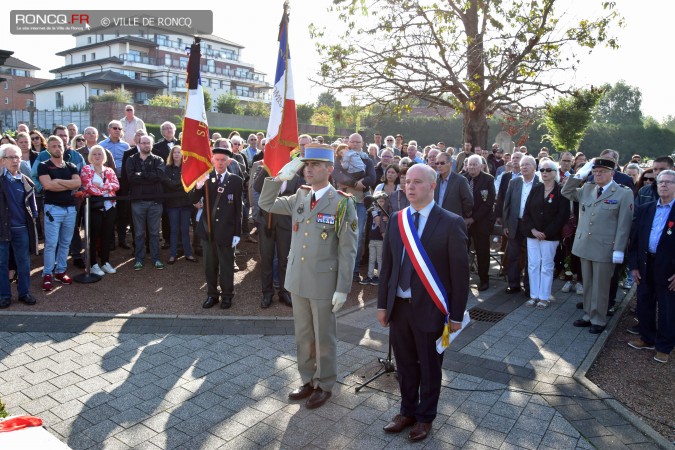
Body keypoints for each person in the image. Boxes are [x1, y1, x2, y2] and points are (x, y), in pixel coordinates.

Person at [258, 146, 358, 410]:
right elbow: (265, 203)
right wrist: (278, 179)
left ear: (329, 169)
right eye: (305, 165)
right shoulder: (300, 197)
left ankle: (324, 384)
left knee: (324, 336)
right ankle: (307, 380)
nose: (308, 170)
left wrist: (343, 288)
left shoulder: (342, 203)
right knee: (303, 334)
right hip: (298, 279)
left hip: (325, 283)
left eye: (315, 165)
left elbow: (347, 250)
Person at [377, 164, 469, 442]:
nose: (410, 187)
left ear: (432, 186)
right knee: (404, 364)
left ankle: (425, 417)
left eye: (417, 182)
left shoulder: (451, 222)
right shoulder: (397, 219)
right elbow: (389, 266)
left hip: (431, 309)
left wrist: (455, 315)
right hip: (400, 308)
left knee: (429, 366)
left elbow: (460, 275)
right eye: (407, 182)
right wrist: (383, 305)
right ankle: (407, 411)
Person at [562, 156, 633, 334]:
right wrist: (580, 174)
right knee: (587, 284)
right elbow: (566, 192)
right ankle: (587, 315)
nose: (598, 175)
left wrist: (619, 249)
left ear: (612, 173)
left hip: (605, 248)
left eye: (602, 172)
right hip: (585, 246)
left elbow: (624, 224)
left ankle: (599, 319)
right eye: (595, 171)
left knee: (601, 286)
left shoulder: (623, 193)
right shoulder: (587, 188)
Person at [627, 169, 675, 363]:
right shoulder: (646, 208)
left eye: (669, 182)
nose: (663, 185)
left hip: (669, 268)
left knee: (668, 309)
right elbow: (635, 240)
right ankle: (647, 337)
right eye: (660, 182)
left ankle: (664, 346)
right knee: (644, 303)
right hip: (646, 264)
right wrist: (634, 266)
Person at [191, 148, 243, 309]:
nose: (220, 162)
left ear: (229, 162)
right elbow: (192, 199)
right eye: (217, 159)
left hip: (226, 231)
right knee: (209, 266)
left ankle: (227, 295)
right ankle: (212, 295)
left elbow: (238, 209)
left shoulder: (235, 180)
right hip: (208, 230)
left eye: (223, 160)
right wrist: (198, 185)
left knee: (226, 266)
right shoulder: (206, 177)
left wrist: (237, 232)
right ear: (212, 160)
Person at [252, 163, 303, 308]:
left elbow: (298, 199)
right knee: (266, 259)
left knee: (284, 259)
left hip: (285, 223)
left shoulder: (296, 177)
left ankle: (284, 292)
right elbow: (256, 188)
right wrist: (267, 169)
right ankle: (267, 293)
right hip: (266, 222)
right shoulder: (265, 172)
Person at [522, 160, 569, 308]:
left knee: (547, 266)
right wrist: (533, 230)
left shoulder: (561, 191)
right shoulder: (536, 189)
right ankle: (533, 296)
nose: (545, 173)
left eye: (548, 170)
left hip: (550, 236)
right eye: (542, 170)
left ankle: (544, 297)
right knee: (533, 265)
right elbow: (527, 212)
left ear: (555, 172)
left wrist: (546, 233)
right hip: (533, 234)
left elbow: (562, 216)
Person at [37, 135, 81, 291]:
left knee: (65, 243)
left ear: (64, 147)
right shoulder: (43, 165)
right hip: (52, 209)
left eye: (60, 145)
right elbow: (48, 186)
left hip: (70, 209)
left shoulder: (71, 166)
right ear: (48, 148)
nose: (57, 148)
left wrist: (58, 182)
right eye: (54, 146)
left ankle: (61, 271)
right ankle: (47, 273)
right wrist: (67, 185)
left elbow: (78, 183)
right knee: (51, 244)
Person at [0, 144, 38, 308]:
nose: (15, 160)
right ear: (2, 160)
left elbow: (33, 208)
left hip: (22, 228)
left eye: (17, 157)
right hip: (2, 229)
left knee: (24, 262)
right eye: (11, 157)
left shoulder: (26, 181)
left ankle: (24, 293)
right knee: (1, 263)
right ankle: (4, 295)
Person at [126, 135, 166, 270]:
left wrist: (141, 174)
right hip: (138, 202)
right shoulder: (131, 159)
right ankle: (139, 259)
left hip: (155, 202)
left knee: (155, 233)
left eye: (148, 143)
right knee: (138, 233)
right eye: (143, 143)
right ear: (139, 144)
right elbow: (130, 177)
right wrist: (149, 175)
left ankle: (156, 258)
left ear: (152, 144)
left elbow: (159, 175)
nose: (146, 145)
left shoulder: (159, 159)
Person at [80, 146, 119, 276]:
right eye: (95, 154)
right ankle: (93, 263)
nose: (97, 156)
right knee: (94, 235)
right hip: (94, 207)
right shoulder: (86, 169)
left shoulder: (109, 170)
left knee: (107, 235)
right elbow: (88, 187)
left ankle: (105, 261)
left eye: (100, 154)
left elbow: (116, 185)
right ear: (91, 156)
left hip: (110, 206)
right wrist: (107, 190)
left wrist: (102, 186)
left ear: (104, 157)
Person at [503, 155, 539, 295]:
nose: (523, 167)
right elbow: (507, 205)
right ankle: (513, 284)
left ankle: (529, 287)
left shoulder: (540, 183)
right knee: (513, 256)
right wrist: (506, 224)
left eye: (527, 164)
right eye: (522, 165)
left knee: (531, 258)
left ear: (534, 167)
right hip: (514, 224)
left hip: (531, 226)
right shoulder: (514, 182)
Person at [464, 154, 496, 291]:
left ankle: (484, 279)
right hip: (464, 222)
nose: (472, 167)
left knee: (482, 252)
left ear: (481, 165)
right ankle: (463, 278)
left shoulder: (488, 179)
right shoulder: (463, 178)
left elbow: (489, 202)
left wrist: (474, 218)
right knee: (462, 251)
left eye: (475, 164)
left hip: (481, 222)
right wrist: (465, 217)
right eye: (470, 164)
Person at [163, 145, 197, 265]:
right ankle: (173, 254)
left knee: (185, 230)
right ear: (171, 155)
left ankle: (188, 253)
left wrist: (177, 184)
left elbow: (189, 184)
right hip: (172, 204)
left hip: (185, 204)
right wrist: (182, 183)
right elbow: (168, 184)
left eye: (179, 152)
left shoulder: (187, 168)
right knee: (174, 230)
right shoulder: (166, 168)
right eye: (174, 152)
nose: (177, 154)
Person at [433, 151, 473, 219]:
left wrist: (460, 217)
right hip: (436, 219)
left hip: (453, 221)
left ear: (450, 164)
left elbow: (468, 202)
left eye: (442, 163)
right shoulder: (434, 180)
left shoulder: (460, 180)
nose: (439, 166)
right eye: (437, 163)